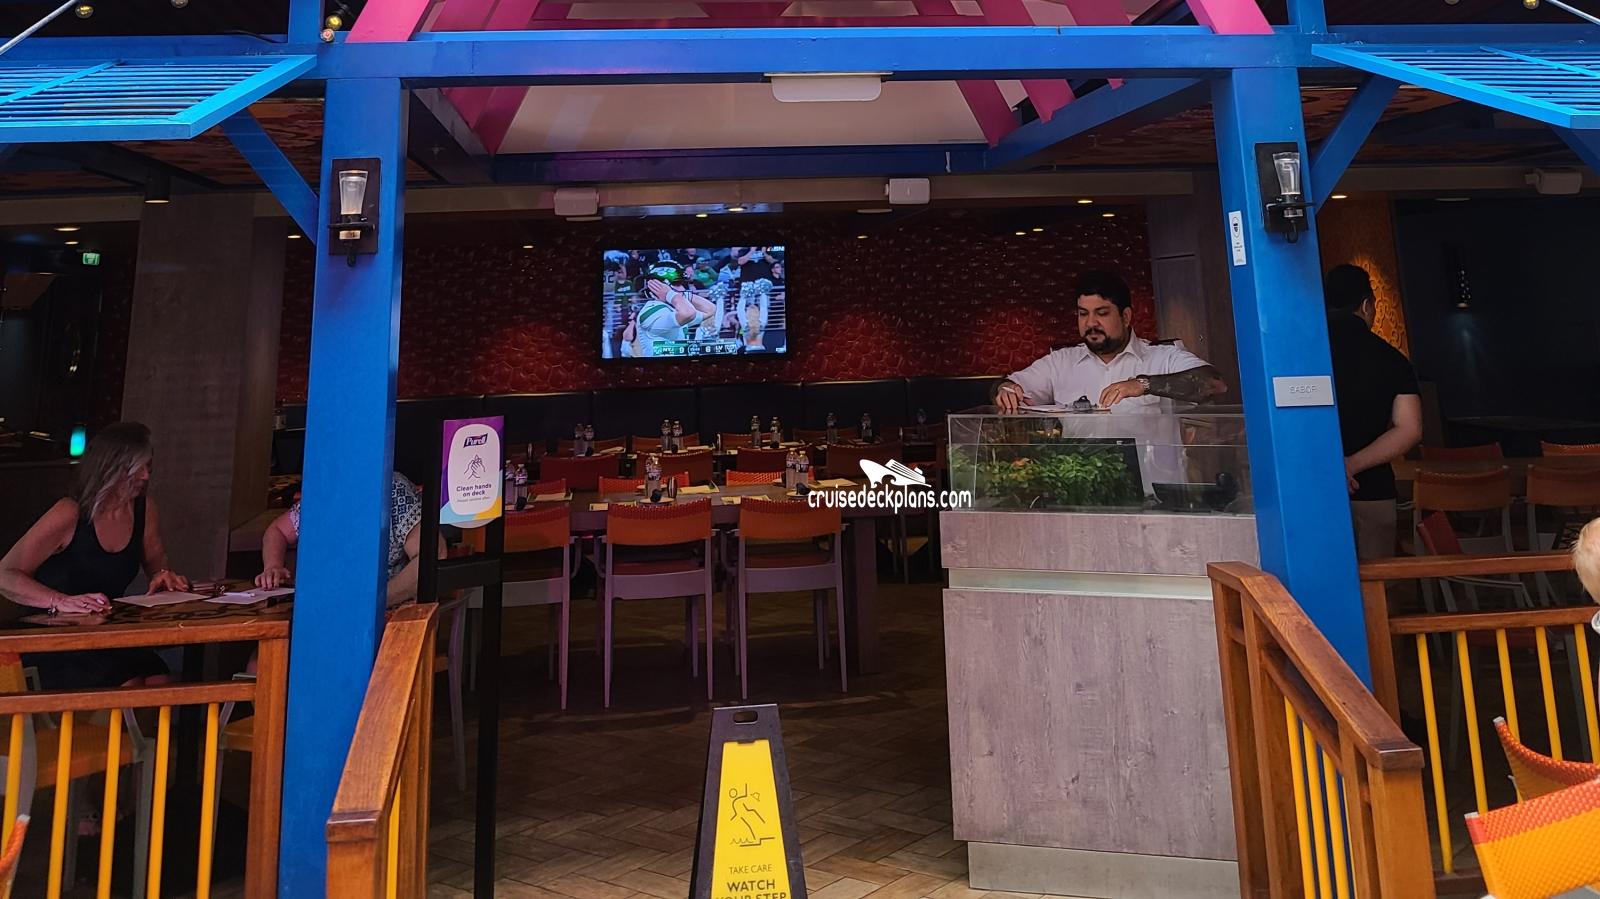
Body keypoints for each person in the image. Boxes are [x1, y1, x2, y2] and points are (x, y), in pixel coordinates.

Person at [0, 422, 187, 688]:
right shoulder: (70, 512)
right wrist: (60, 601)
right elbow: (5, 574)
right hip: (52, 638)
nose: (146, 476)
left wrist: (163, 576)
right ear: (112, 468)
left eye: (148, 467)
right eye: (138, 468)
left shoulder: (144, 509)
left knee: (159, 678)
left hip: (102, 633)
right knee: (129, 683)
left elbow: (156, 562)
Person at [994, 271, 1226, 414]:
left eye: (1102, 313)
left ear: (1125, 317)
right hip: (1081, 480)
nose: (1090, 323)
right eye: (1083, 314)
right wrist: (1006, 390)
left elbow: (1214, 384)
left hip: (1152, 481)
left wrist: (1143, 385)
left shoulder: (1162, 357)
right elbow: (1006, 385)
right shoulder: (1060, 362)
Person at [1323, 264, 1422, 560]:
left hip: (1313, 486)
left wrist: (1330, 468)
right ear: (1366, 305)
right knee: (1377, 578)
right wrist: (1350, 465)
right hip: (1372, 488)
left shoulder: (1301, 356)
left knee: (1320, 574)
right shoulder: (1392, 359)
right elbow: (1410, 428)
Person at [256, 471, 440, 606]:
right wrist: (273, 565)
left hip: (389, 617)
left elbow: (432, 555)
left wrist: (377, 601)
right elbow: (277, 530)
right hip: (326, 609)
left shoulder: (393, 489)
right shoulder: (325, 491)